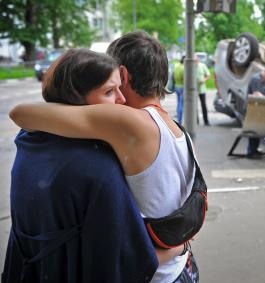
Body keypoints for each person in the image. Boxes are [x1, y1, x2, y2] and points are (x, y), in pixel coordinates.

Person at [10, 31, 201, 283]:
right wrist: (181, 247)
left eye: (115, 87)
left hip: (155, 276)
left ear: (122, 75)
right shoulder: (179, 131)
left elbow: (21, 114)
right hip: (184, 268)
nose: (118, 98)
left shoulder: (127, 123)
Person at [246, 67, 265, 158]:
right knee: (253, 130)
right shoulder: (256, 79)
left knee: (258, 130)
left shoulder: (263, 81)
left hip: (258, 108)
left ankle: (255, 149)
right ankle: (250, 152)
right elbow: (256, 94)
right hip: (252, 108)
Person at [196, 55, 211, 126]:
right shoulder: (191, 67)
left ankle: (206, 121)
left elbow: (208, 75)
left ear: (198, 60)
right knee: (194, 106)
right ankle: (196, 121)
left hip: (202, 89)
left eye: (196, 60)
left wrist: (204, 80)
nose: (195, 62)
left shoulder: (202, 66)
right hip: (194, 90)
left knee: (203, 105)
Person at [173, 56, 185, 124]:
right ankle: (180, 120)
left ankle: (178, 117)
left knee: (178, 103)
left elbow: (174, 76)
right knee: (181, 104)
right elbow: (185, 79)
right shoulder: (184, 68)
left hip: (176, 86)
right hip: (182, 87)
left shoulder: (176, 66)